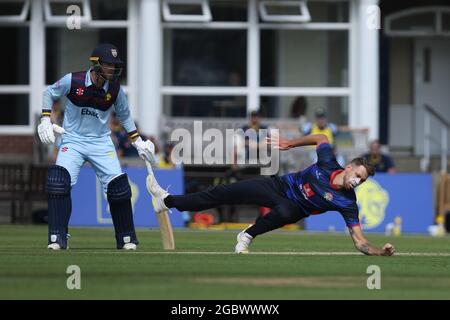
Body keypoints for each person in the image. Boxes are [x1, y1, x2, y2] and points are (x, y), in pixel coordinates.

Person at [146, 134, 395, 256]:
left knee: (287, 212)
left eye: (362, 180)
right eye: (357, 175)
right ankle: (167, 201)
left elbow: (360, 242)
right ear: (348, 167)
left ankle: (246, 236)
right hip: (277, 186)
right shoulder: (329, 162)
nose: (357, 181)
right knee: (222, 193)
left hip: (295, 208)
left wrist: (378, 252)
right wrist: (290, 144)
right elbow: (321, 137)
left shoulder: (348, 203)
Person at [37, 43, 155, 250]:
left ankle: (126, 239)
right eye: (109, 65)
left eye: (114, 65)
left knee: (118, 188)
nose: (112, 69)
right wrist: (45, 119)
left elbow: (125, 116)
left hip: (101, 142)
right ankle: (57, 237)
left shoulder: (116, 89)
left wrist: (137, 142)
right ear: (96, 64)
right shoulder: (73, 80)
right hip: (72, 139)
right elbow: (49, 93)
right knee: (59, 183)